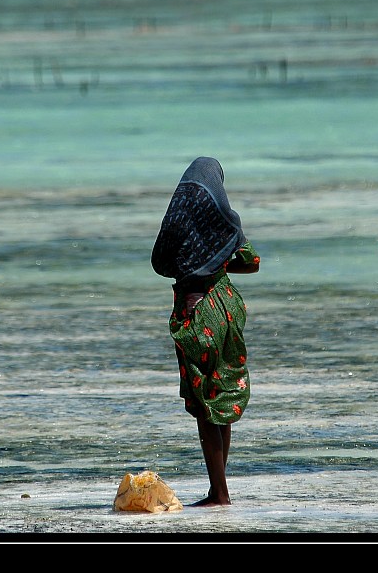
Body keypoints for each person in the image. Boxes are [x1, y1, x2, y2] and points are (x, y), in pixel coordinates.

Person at [151, 156, 260, 506]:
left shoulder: (179, 220)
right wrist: (219, 261)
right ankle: (218, 487)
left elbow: (161, 263)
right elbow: (252, 263)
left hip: (197, 311)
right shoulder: (226, 224)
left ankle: (220, 492)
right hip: (227, 306)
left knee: (203, 403)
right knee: (222, 395)